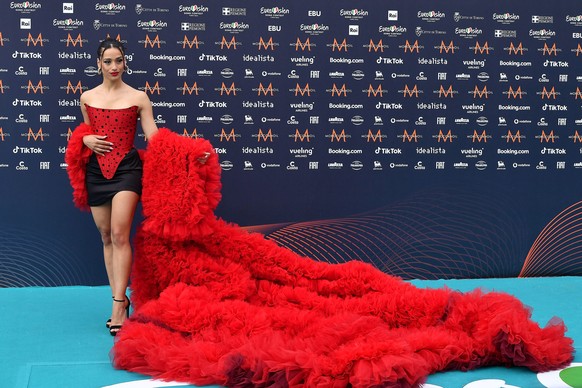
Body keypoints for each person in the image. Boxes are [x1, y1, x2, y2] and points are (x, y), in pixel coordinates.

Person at [72, 37, 158, 336]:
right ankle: (116, 297)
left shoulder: (139, 97)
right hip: (96, 172)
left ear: (125, 62)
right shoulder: (86, 97)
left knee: (120, 234)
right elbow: (86, 131)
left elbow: (155, 138)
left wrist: (186, 153)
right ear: (99, 64)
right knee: (106, 236)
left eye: (118, 60)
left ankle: (120, 305)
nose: (113, 66)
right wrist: (83, 139)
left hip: (127, 170)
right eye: (107, 61)